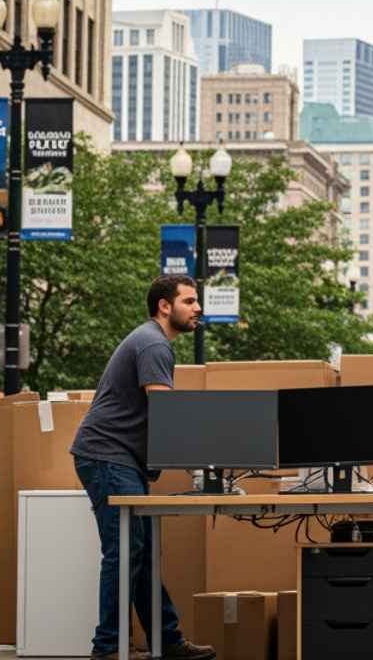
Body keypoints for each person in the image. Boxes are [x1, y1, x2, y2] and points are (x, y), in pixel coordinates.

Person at [69, 275, 216, 660]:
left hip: (120, 458)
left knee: (143, 553)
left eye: (197, 301)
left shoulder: (153, 341)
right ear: (164, 306)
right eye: (189, 301)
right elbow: (165, 411)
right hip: (108, 455)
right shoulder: (153, 343)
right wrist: (203, 462)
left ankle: (166, 641)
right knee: (126, 551)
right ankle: (107, 648)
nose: (198, 308)